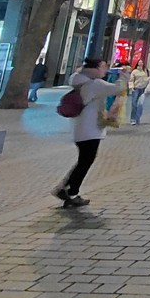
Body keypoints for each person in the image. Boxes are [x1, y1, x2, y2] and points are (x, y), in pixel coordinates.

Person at [54, 57, 122, 208]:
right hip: (90, 129)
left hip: (79, 128)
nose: (106, 70)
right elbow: (118, 88)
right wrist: (124, 75)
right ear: (95, 69)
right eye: (103, 67)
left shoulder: (78, 79)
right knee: (85, 162)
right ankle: (71, 192)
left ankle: (65, 189)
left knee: (84, 160)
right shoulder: (95, 84)